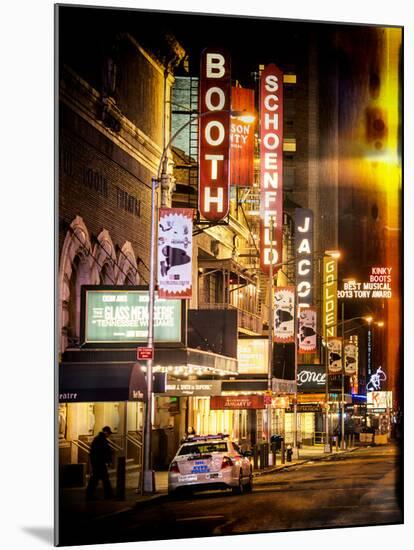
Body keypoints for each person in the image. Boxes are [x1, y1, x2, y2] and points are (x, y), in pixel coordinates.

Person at [86, 426, 114, 500]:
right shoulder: (100, 440)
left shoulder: (101, 439)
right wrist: (108, 460)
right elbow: (102, 452)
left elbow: (104, 451)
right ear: (105, 432)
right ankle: (107, 495)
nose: (109, 435)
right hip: (99, 463)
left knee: (99, 479)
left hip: (99, 462)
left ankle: (91, 495)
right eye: (108, 433)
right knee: (101, 479)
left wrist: (108, 460)